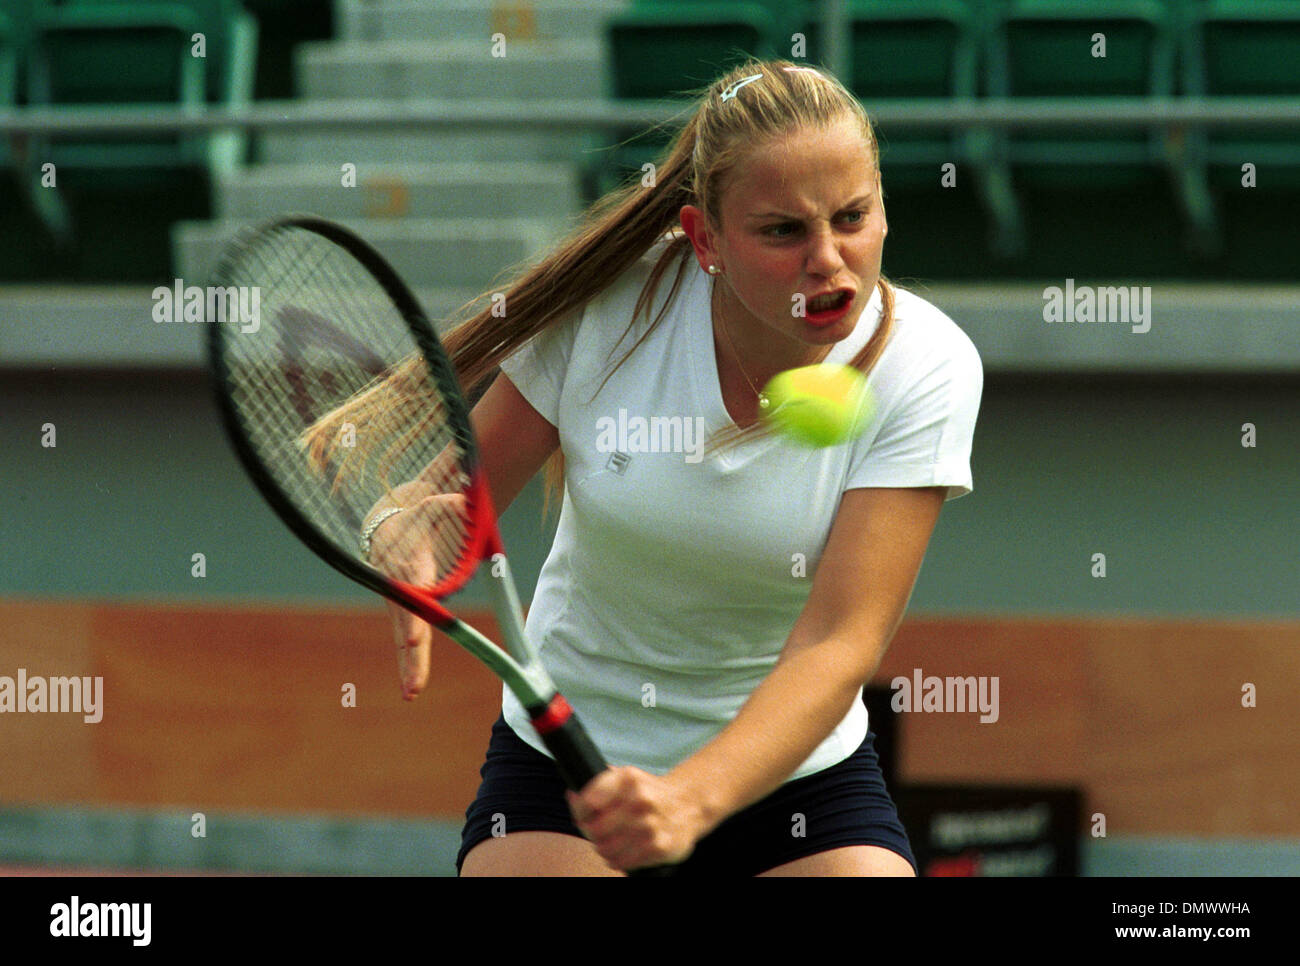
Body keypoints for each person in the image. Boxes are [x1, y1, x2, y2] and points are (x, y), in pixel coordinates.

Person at [374, 58, 982, 876]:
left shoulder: (928, 365)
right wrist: (403, 528)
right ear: (706, 241)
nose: (829, 260)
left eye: (852, 216)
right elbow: (450, 497)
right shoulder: (611, 310)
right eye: (782, 230)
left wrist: (690, 801)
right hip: (574, 763)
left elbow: (839, 644)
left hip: (794, 781)